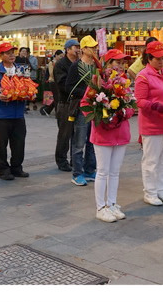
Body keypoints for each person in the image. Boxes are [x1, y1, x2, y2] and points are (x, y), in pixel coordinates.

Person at [89, 49, 135, 222]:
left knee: (115, 171)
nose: (121, 66)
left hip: (121, 132)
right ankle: (100, 207)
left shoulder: (124, 82)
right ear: (107, 64)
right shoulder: (97, 81)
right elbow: (86, 103)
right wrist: (102, 114)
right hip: (103, 133)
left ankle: (112, 203)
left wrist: (125, 112)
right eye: (117, 62)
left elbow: (131, 103)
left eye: (123, 62)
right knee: (103, 171)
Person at [134, 40, 163, 206]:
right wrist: (154, 105)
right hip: (153, 125)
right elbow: (139, 101)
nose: (161, 61)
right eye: (157, 58)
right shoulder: (143, 76)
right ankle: (150, 192)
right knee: (151, 161)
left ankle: (162, 190)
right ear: (149, 58)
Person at [0, 43, 29, 180]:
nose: (11, 55)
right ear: (1, 56)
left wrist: (29, 93)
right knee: (2, 144)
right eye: (7, 53)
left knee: (19, 142)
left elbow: (27, 85)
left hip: (18, 113)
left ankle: (16, 167)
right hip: (1, 114)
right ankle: (3, 170)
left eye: (12, 52)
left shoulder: (21, 69)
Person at [66, 36, 100, 186]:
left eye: (95, 47)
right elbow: (69, 87)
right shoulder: (76, 66)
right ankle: (77, 173)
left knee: (91, 141)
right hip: (81, 108)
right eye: (91, 47)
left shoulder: (96, 66)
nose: (94, 50)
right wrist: (87, 93)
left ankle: (90, 169)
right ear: (84, 49)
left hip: (94, 107)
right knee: (79, 142)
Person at [53, 39, 80, 172]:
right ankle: (61, 160)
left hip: (78, 103)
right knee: (65, 133)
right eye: (75, 47)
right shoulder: (61, 64)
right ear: (68, 49)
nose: (78, 49)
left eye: (79, 47)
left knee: (77, 134)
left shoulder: (79, 63)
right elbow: (63, 84)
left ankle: (74, 159)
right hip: (66, 104)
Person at [41, 50, 63, 116]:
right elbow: (51, 73)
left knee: (58, 97)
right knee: (57, 98)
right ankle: (57, 113)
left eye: (62, 56)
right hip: (53, 82)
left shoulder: (61, 63)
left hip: (58, 82)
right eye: (60, 56)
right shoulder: (51, 63)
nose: (61, 57)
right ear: (56, 55)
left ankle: (47, 109)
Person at [18, 47, 39, 111]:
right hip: (20, 78)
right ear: (20, 52)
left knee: (31, 91)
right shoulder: (16, 58)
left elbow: (34, 67)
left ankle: (33, 103)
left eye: (25, 52)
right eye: (23, 51)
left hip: (30, 77)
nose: (24, 53)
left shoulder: (31, 59)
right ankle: (26, 105)